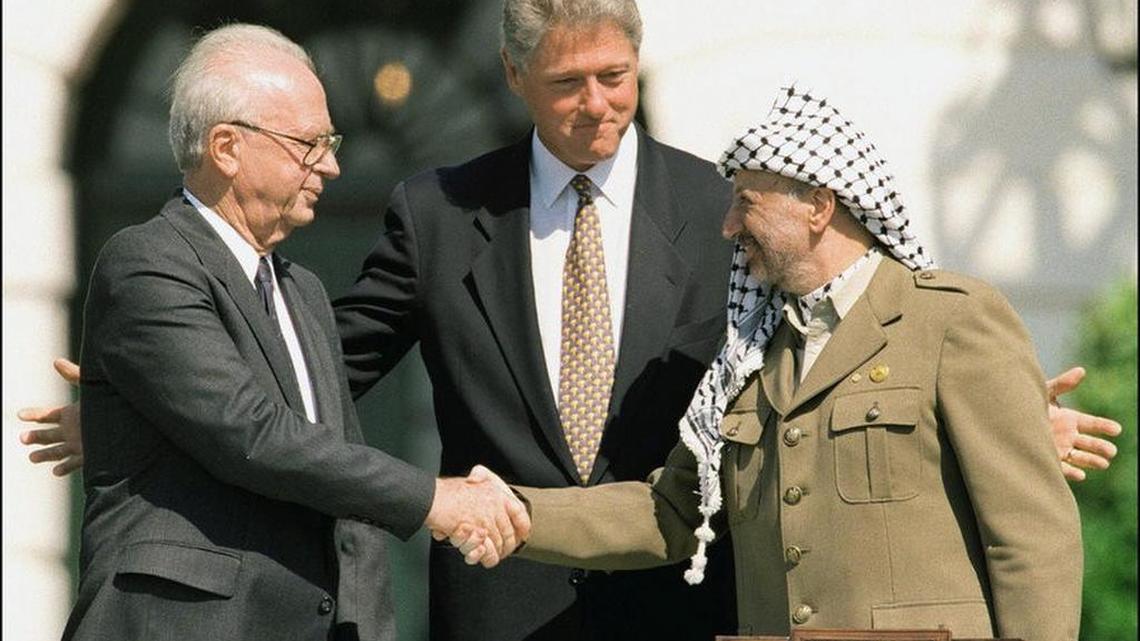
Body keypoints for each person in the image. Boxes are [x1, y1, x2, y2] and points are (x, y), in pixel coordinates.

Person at [18, 2, 1120, 639]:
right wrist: (147, 410)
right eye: (568, 83)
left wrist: (1006, 424)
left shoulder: (722, 208)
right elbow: (319, 367)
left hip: (687, 611)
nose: (598, 103)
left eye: (618, 77)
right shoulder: (439, 210)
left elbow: (837, 369)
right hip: (501, 607)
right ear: (515, 76)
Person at [468, 87, 1086, 639]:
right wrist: (521, 514)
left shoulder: (951, 320)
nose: (729, 225)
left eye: (747, 203)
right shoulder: (747, 355)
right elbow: (673, 510)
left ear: (818, 206)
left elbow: (1032, 538)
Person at [51, 23, 526, 641]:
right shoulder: (147, 262)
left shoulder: (301, 291)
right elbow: (251, 432)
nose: (329, 165)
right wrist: (434, 499)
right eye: (309, 143)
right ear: (226, 148)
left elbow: (338, 488)